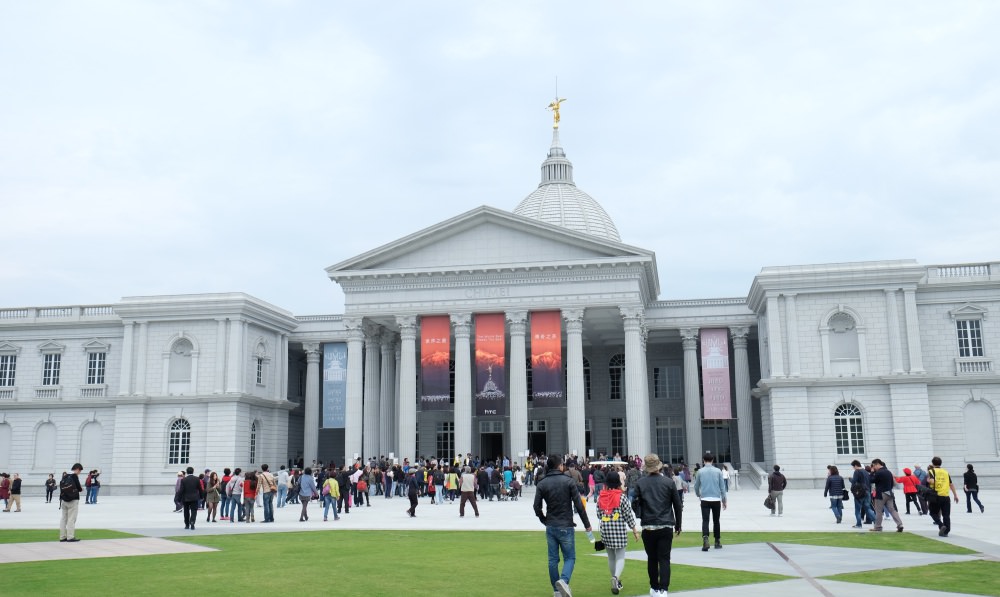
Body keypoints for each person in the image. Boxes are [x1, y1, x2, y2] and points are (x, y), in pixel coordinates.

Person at [534, 455, 593, 597]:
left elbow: (536, 507)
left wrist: (544, 520)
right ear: (560, 466)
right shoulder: (568, 482)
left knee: (553, 559)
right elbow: (579, 505)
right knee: (570, 557)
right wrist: (587, 525)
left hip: (551, 525)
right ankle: (564, 581)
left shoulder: (542, 483)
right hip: (565, 524)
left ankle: (556, 591)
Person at [632, 453, 683, 597]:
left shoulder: (641, 483)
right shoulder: (668, 482)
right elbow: (677, 505)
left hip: (648, 525)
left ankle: (654, 588)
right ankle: (663, 589)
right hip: (665, 524)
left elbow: (634, 502)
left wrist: (640, 512)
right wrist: (678, 525)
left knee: (652, 558)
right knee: (665, 558)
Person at [597, 472, 639, 595]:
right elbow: (628, 515)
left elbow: (599, 515)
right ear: (618, 483)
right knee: (620, 556)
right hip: (619, 529)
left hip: (606, 530)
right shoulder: (622, 497)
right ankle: (615, 578)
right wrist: (635, 530)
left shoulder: (601, 496)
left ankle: (616, 579)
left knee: (611, 557)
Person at [693, 452, 726, 551]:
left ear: (703, 460)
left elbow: (696, 486)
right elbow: (722, 487)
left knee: (705, 520)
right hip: (716, 499)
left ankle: (705, 539)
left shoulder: (700, 471)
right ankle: (717, 541)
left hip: (705, 499)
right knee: (716, 521)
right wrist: (724, 500)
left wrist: (699, 495)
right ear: (712, 460)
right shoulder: (718, 471)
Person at [928, 457, 960, 537]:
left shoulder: (931, 471)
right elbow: (951, 484)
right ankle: (946, 532)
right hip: (946, 496)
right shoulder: (946, 472)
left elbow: (931, 481)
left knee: (933, 513)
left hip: (936, 496)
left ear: (932, 463)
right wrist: (955, 495)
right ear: (940, 463)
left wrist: (929, 480)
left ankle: (941, 525)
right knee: (946, 515)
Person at [869, 459, 904, 532]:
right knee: (892, 510)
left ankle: (878, 527)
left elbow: (871, 480)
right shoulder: (889, 472)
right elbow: (893, 483)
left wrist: (872, 473)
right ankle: (899, 524)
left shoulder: (878, 473)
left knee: (878, 511)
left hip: (881, 494)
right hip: (889, 492)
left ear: (877, 464)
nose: (874, 467)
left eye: (874, 466)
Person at [59, 463, 85, 542]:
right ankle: (70, 536)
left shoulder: (65, 475)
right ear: (77, 469)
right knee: (71, 519)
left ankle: (62, 537)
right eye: (80, 471)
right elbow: (79, 488)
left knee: (63, 519)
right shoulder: (74, 476)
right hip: (73, 500)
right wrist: (81, 489)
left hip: (64, 500)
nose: (79, 473)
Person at [850, 460, 877, 528]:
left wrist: (850, 479)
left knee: (857, 509)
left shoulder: (857, 471)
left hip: (860, 492)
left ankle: (859, 524)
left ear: (856, 465)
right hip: (867, 491)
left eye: (853, 467)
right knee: (867, 508)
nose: (853, 468)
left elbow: (854, 481)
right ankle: (876, 522)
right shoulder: (865, 471)